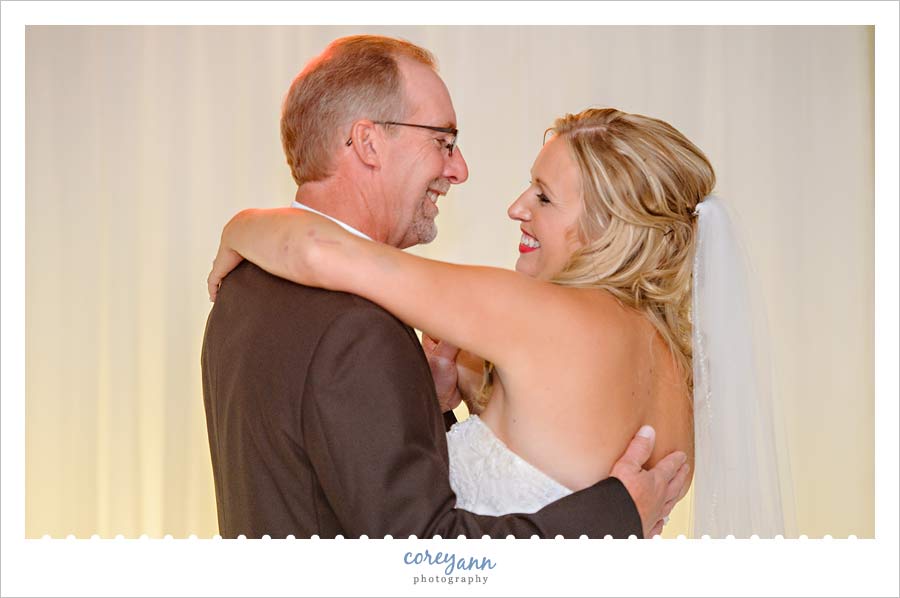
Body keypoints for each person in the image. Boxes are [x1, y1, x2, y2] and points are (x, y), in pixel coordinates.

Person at [210, 103, 790, 537]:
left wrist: (237, 227)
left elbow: (319, 250)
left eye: (543, 195)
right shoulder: (682, 371)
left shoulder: (536, 316)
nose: (517, 206)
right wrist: (440, 407)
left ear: (609, 226)